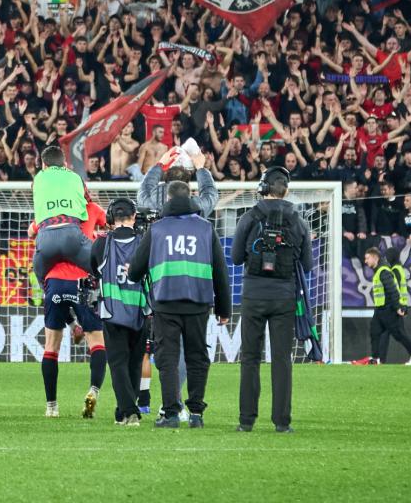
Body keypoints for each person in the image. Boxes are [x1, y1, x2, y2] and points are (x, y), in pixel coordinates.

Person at [130, 180, 231, 428]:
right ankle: (196, 413)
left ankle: (172, 413)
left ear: (167, 199)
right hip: (198, 303)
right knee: (198, 356)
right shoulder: (206, 228)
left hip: (166, 303)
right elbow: (220, 271)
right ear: (191, 198)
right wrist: (224, 309)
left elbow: (134, 272)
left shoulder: (157, 229)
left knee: (168, 359)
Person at [230, 167, 310, 433]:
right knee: (282, 359)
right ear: (286, 190)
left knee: (250, 358)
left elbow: (237, 258)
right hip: (284, 296)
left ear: (264, 188)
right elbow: (308, 265)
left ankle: (246, 420)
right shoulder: (299, 221)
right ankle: (281, 422)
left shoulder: (249, 217)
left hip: (253, 294)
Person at [38, 184, 107, 419]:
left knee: (51, 346)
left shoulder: (55, 214)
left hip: (55, 281)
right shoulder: (94, 209)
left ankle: (51, 407)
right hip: (83, 282)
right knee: (97, 342)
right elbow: (110, 227)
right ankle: (93, 390)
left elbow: (31, 231)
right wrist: (97, 234)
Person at [90, 198, 147, 426]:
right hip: (140, 311)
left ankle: (128, 411)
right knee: (134, 363)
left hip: (112, 311)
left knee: (118, 363)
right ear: (134, 216)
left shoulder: (101, 244)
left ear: (111, 219)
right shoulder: (145, 241)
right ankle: (125, 410)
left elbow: (93, 270)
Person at [30, 143, 92, 284]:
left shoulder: (38, 178)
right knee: (100, 266)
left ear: (44, 165)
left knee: (39, 274)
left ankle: (46, 293)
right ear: (65, 164)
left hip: (46, 238)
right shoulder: (76, 178)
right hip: (72, 235)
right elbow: (88, 201)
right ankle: (101, 295)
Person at [360, 246, 411, 366]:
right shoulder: (380, 270)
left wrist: (399, 307)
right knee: (374, 331)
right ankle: (376, 359)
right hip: (380, 310)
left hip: (388, 308)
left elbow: (393, 290)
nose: (365, 261)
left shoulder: (384, 271)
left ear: (375, 258)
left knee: (399, 334)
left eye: (367, 258)